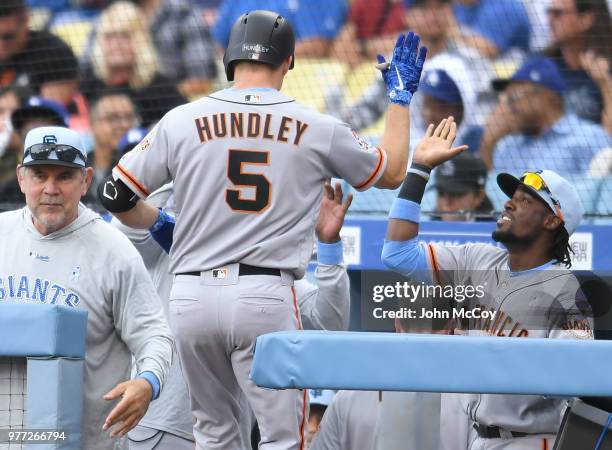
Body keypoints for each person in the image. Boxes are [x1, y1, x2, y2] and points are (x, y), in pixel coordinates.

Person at [100, 9, 427, 448]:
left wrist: (162, 224)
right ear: (289, 62)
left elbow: (115, 195)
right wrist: (400, 101)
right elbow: (390, 173)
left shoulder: (181, 118)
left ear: (230, 58)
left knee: (214, 435)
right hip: (264, 296)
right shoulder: (315, 125)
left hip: (191, 298)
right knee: (281, 441)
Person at [382, 117, 593, 449]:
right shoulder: (478, 260)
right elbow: (396, 252)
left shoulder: (565, 291)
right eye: (512, 196)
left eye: (525, 201)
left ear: (552, 220)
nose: (508, 202)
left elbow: (579, 379)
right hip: (476, 437)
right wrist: (420, 169)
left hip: (531, 439)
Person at [116, 181, 352, 450]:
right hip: (160, 425)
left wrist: (329, 244)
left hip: (227, 435)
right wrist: (177, 171)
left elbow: (329, 322)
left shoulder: (267, 271)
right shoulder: (178, 240)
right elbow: (125, 224)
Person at [0, 126, 173, 449]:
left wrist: (147, 382)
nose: (50, 189)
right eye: (39, 175)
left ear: (86, 180)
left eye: (64, 176)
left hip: (86, 441)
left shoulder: (113, 250)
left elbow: (154, 334)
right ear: (21, 177)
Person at [481, 56, 612, 175]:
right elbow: (490, 196)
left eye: (513, 98)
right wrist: (488, 144)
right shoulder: (507, 146)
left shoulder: (589, 137)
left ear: (546, 96)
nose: (508, 108)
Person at [80, 1, 186, 127]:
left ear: (141, 41)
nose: (116, 45)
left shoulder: (158, 87)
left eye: (124, 36)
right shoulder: (88, 82)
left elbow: (183, 124)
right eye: (110, 36)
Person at [545, 0, 612, 132]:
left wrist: (605, 84)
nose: (549, 19)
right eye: (549, 12)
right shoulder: (539, 66)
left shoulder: (606, 68)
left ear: (586, 19)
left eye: (558, 13)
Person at [0, 1, 79, 102]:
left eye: (8, 36)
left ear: (26, 21)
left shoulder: (53, 52)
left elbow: (51, 110)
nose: (0, 44)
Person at [212, 0, 348, 58]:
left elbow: (319, 45)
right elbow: (217, 41)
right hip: (238, 75)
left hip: (294, 78)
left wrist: (260, 59)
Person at [85, 91, 140, 207]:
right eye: (113, 118)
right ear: (92, 123)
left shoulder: (140, 166)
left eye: (129, 117)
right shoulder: (79, 164)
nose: (124, 125)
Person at [332, 0, 406, 67]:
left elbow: (396, 45)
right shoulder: (364, 4)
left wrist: (360, 46)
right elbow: (339, 49)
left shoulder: (405, 12)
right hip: (357, 65)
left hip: (383, 67)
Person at [450, 0, 532, 59]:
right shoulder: (457, 4)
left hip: (509, 71)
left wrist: (450, 32)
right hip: (472, 65)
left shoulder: (505, 5)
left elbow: (488, 49)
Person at [432, 152, 493, 221]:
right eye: (441, 193)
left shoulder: (496, 230)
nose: (446, 202)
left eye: (455, 193)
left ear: (479, 196)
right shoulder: (423, 229)